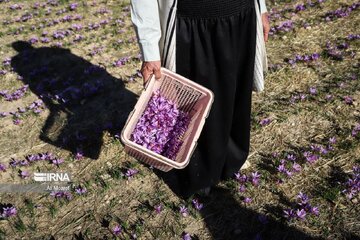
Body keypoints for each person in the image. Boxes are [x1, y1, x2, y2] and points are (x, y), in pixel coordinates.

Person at [130, 0, 270, 198]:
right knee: (197, 104)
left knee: (237, 91)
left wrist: (261, 8)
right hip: (194, 22)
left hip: (243, 13)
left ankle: (232, 157)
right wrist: (149, 47)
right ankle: (200, 173)